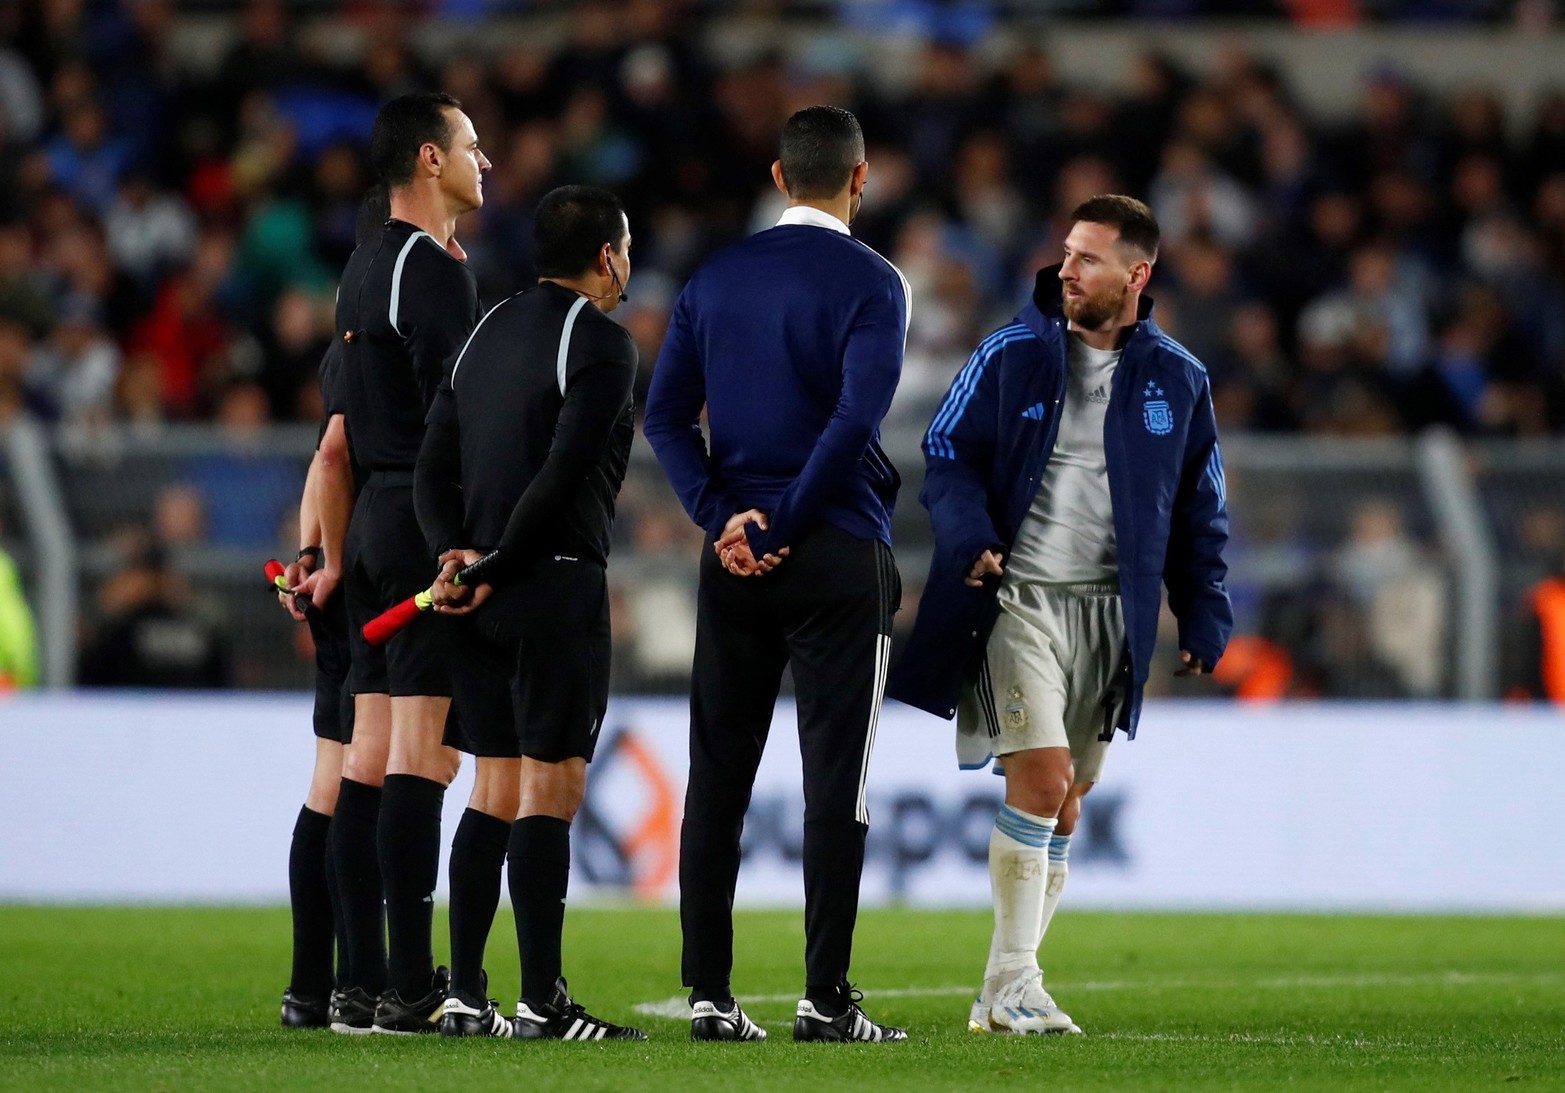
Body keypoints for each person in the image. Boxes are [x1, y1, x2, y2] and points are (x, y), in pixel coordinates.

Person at [888, 195, 1232, 1036]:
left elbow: (1200, 509)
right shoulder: (1010, 352)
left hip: (1108, 614)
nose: (1066, 269)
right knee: (1038, 781)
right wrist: (968, 534)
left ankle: (995, 993)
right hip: (1016, 598)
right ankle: (1014, 982)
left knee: (1067, 807)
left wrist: (1203, 612)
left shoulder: (1178, 379)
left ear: (1136, 274)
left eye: (1087, 258)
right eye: (1067, 253)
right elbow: (947, 452)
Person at [643, 105, 910, 1044]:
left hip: (735, 560)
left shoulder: (715, 279)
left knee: (716, 777)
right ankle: (824, 998)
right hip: (835, 547)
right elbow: (853, 421)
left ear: (777, 173)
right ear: (860, 178)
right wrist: (789, 520)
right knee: (837, 780)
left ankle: (708, 996)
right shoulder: (876, 283)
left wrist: (728, 520)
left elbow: (666, 418)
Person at [414, 184, 646, 1042]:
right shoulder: (603, 344)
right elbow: (561, 474)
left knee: (494, 786)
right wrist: (502, 563)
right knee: (552, 785)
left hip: (467, 590)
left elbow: (434, 461)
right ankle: (543, 1000)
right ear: (608, 256)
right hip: (548, 584)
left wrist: (453, 556)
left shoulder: (485, 330)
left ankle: (470, 995)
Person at [332, 91, 490, 1034]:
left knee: (375, 752)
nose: (486, 158)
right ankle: (410, 986)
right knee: (421, 759)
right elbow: (453, 421)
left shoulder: (362, 266)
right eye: (471, 144)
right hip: (417, 517)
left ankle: (362, 981)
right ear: (429, 159)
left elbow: (344, 417)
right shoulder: (429, 271)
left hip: (371, 522)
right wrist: (459, 537)